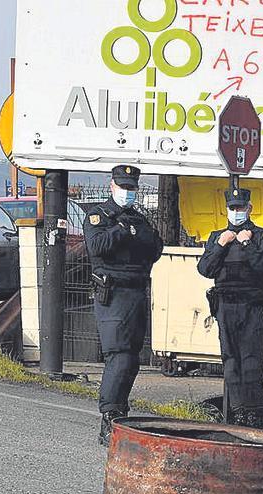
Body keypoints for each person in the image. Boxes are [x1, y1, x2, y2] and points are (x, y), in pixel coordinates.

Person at [86, 165, 165, 445]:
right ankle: (109, 415)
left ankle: (120, 411)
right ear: (112, 186)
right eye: (124, 187)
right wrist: (123, 231)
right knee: (118, 356)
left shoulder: (139, 219)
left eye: (132, 188)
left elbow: (155, 247)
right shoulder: (100, 216)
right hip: (113, 293)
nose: (128, 192)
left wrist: (131, 231)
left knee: (131, 359)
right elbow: (98, 247)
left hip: (136, 292)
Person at [197, 187, 263, 428]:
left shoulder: (262, 236)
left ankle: (254, 414)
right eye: (233, 208)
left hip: (251, 305)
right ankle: (237, 412)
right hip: (225, 304)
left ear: (249, 208)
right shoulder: (217, 236)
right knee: (231, 361)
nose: (237, 212)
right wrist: (221, 245)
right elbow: (205, 270)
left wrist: (247, 245)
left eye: (241, 207)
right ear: (227, 210)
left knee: (252, 360)